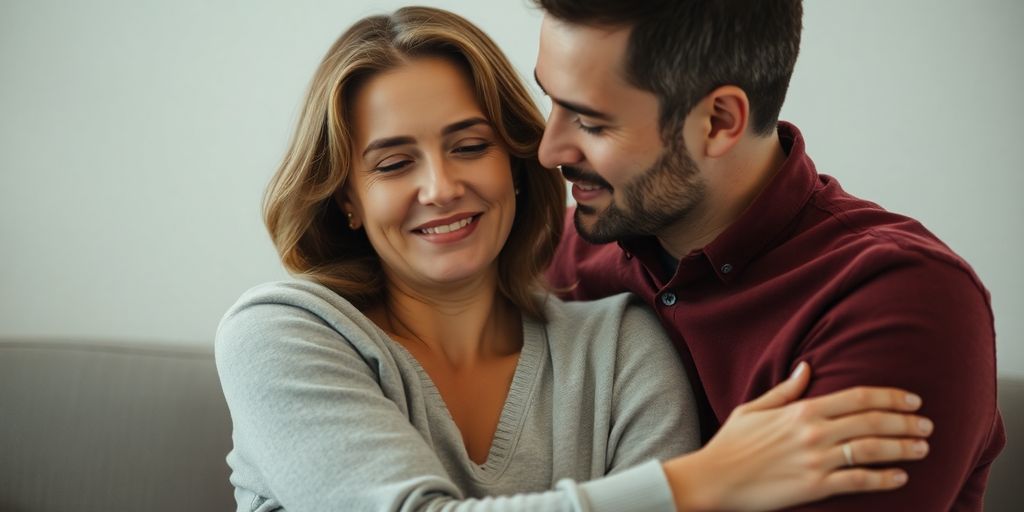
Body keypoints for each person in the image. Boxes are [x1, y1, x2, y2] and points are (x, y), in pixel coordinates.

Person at [216, 6, 932, 511]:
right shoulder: (284, 334)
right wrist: (703, 481)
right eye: (393, 162)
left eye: (470, 146)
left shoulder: (624, 344)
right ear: (345, 196)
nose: (440, 188)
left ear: (508, 161)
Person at [533, 0, 1006, 510]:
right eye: (550, 101)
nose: (549, 150)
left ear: (718, 122)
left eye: (591, 122)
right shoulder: (552, 256)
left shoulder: (898, 299)